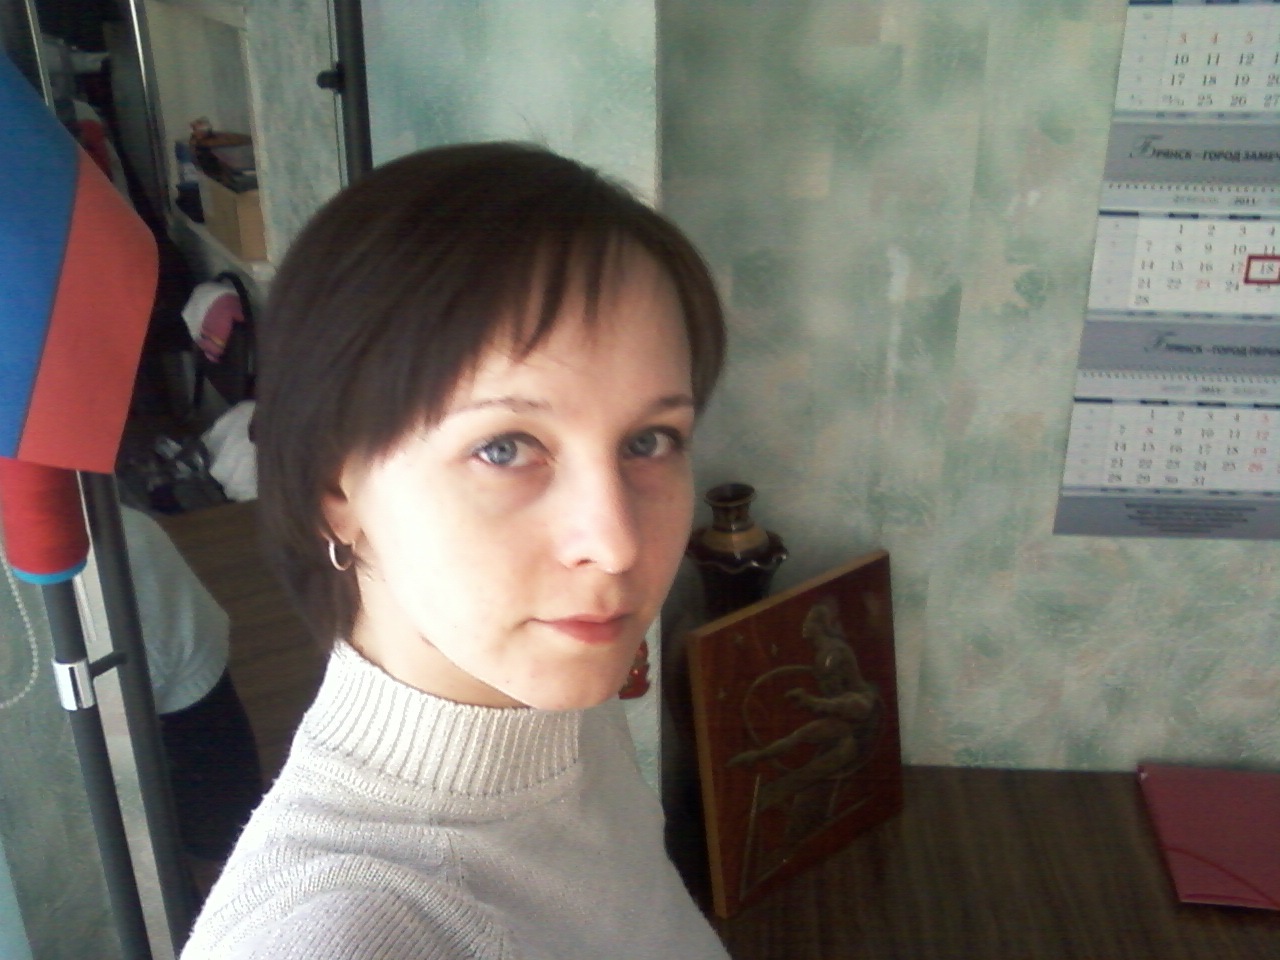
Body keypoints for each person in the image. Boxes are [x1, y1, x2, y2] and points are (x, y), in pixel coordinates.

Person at [178, 142, 730, 959]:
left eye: (649, 440)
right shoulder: (348, 934)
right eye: (505, 448)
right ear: (336, 490)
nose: (615, 544)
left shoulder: (548, 697)